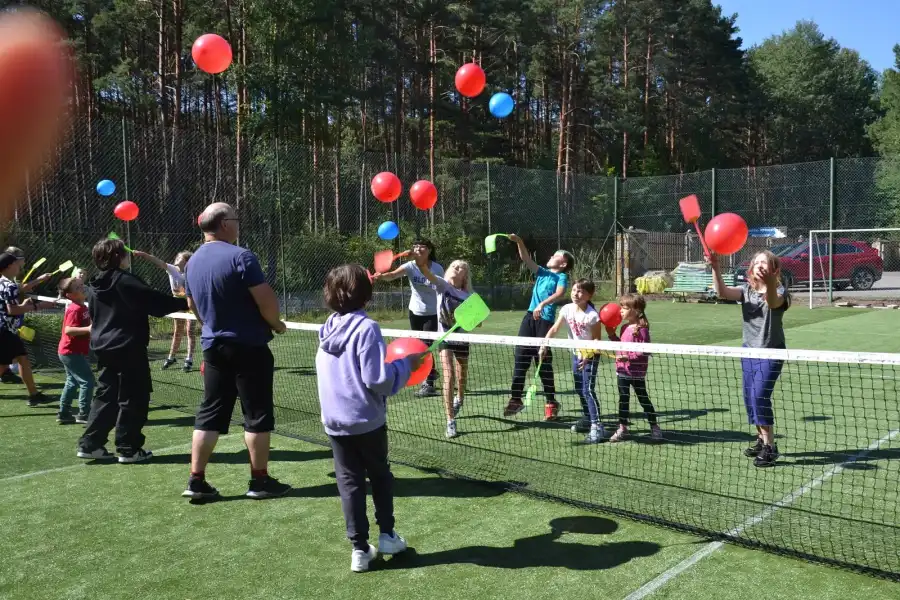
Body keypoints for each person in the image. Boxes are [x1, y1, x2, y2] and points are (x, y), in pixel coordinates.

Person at [316, 264, 422, 572]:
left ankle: (359, 550)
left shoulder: (327, 328)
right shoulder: (367, 328)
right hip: (366, 421)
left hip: (335, 422)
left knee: (349, 484)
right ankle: (387, 536)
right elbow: (378, 379)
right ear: (366, 295)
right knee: (380, 476)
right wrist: (407, 365)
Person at [182, 202, 290, 501]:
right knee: (256, 415)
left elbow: (192, 305)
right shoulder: (242, 256)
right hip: (248, 347)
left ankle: (196, 480)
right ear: (225, 224)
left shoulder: (192, 262)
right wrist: (276, 324)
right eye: (235, 218)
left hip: (213, 347)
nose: (239, 223)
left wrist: (209, 325)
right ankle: (260, 481)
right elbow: (266, 299)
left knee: (209, 412)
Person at [76, 239, 187, 462]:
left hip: (104, 347)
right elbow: (156, 303)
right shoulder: (126, 281)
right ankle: (128, 448)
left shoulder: (96, 284)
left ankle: (90, 444)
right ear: (117, 257)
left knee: (107, 395)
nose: (128, 256)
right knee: (134, 397)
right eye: (124, 253)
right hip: (128, 347)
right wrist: (187, 301)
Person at [711, 250, 789, 468]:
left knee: (759, 396)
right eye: (757, 262)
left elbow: (773, 303)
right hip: (748, 352)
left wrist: (770, 283)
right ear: (751, 268)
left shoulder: (780, 291)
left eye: (765, 262)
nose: (760, 265)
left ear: (774, 269)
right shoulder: (746, 291)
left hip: (771, 352)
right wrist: (715, 267)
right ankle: (761, 439)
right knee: (749, 398)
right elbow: (722, 293)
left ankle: (770, 447)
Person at [504, 234, 574, 420]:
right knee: (521, 358)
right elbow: (526, 258)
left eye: (556, 255)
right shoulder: (542, 272)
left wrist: (542, 304)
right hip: (529, 318)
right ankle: (515, 399)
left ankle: (551, 402)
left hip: (545, 320)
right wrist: (519, 241)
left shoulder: (561, 277)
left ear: (563, 263)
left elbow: (560, 293)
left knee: (542, 362)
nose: (551, 256)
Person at [410, 255, 474, 439]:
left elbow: (476, 322)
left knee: (461, 376)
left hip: (461, 338)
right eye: (454, 265)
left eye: (460, 267)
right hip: (444, 337)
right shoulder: (442, 285)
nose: (456, 268)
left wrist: (472, 320)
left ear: (465, 276)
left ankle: (460, 398)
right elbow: (427, 273)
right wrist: (421, 261)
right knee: (449, 375)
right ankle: (450, 421)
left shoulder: (468, 296)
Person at [373, 239, 443, 397]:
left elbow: (439, 286)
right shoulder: (410, 266)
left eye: (422, 246)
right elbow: (392, 275)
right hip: (415, 311)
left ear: (429, 250)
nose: (417, 248)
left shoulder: (437, 268)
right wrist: (381, 276)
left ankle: (429, 384)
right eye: (415, 246)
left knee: (426, 347)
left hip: (432, 313)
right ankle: (431, 372)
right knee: (419, 345)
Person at [540, 279, 605, 443]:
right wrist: (544, 344)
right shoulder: (566, 309)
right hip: (576, 355)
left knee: (588, 390)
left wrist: (588, 356)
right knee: (579, 388)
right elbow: (555, 328)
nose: (576, 294)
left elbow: (597, 340)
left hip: (590, 356)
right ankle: (587, 417)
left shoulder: (592, 316)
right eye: (575, 290)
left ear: (589, 295)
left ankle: (597, 426)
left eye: (581, 291)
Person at [0, 252, 56, 406]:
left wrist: (24, 305)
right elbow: (12, 310)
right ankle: (34, 395)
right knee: (20, 361)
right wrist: (39, 306)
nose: (19, 266)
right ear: (9, 266)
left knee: (22, 359)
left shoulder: (3, 283)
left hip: (6, 330)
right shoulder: (9, 286)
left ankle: (34, 395)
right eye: (16, 263)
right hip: (5, 331)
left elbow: (7, 307)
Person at [605, 294, 661, 442]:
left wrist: (628, 358)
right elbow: (621, 346)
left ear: (636, 311)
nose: (621, 310)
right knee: (623, 400)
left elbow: (644, 351)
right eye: (621, 307)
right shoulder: (624, 327)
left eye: (624, 308)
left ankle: (654, 427)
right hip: (622, 371)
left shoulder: (642, 330)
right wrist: (612, 336)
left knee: (643, 399)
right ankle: (622, 428)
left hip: (637, 373)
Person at [133, 250, 196, 372]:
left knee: (190, 331)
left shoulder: (192, 272)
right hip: (178, 304)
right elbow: (158, 261)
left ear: (186, 262)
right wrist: (144, 255)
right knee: (178, 331)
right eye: (176, 258)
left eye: (179, 258)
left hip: (190, 304)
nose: (176, 260)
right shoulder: (172, 269)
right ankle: (171, 357)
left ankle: (189, 359)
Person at [56, 275, 94, 425]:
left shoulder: (83, 307)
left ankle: (64, 413)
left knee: (72, 382)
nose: (83, 288)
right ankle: (84, 413)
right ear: (70, 295)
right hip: (70, 352)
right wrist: (89, 329)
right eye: (78, 287)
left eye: (82, 285)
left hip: (70, 351)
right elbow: (69, 330)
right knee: (87, 381)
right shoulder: (74, 309)